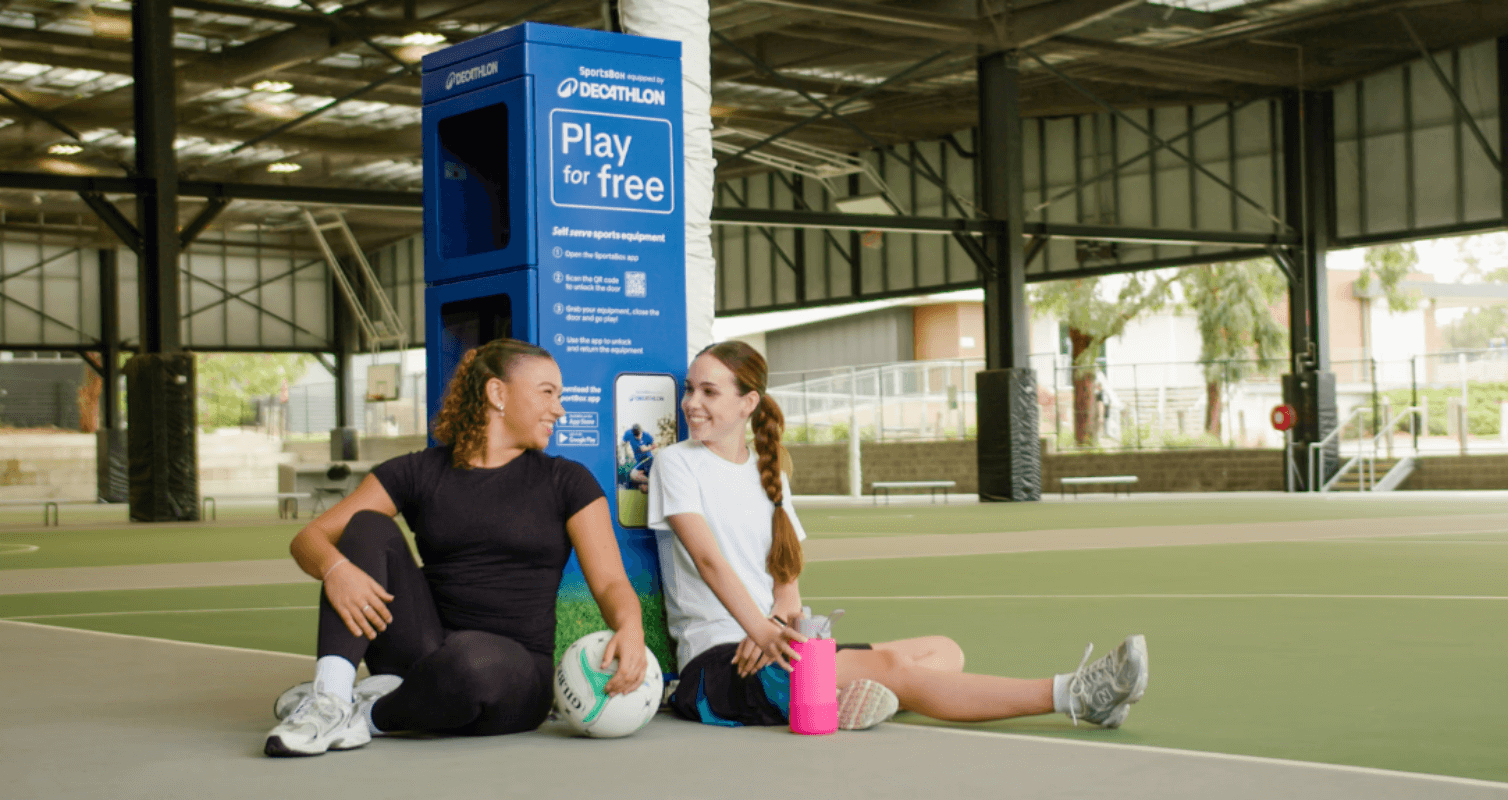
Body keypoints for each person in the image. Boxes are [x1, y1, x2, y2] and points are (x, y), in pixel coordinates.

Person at [648, 341, 1148, 731]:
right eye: (690, 389)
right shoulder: (675, 464)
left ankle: (847, 697)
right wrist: (761, 632)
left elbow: (787, 577)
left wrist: (778, 623)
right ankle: (1075, 694)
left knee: (943, 650)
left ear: (747, 402)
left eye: (708, 391)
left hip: (777, 645)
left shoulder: (768, 468)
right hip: (718, 667)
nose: (692, 402)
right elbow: (709, 562)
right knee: (894, 667)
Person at [264, 338, 647, 757]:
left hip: (510, 673)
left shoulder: (567, 481)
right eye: (547, 393)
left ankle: (371, 715)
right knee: (366, 525)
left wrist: (631, 626)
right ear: (498, 393)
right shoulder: (417, 471)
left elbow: (610, 581)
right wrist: (335, 570)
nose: (559, 408)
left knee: (470, 661)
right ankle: (330, 700)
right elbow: (309, 539)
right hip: (418, 649)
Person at [622, 423, 656, 492]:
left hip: (648, 459)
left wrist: (647, 448)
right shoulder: (628, 433)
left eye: (639, 435)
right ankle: (651, 485)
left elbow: (654, 445)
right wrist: (623, 457)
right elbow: (622, 444)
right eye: (635, 435)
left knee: (633, 474)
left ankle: (653, 484)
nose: (637, 437)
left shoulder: (647, 435)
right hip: (639, 461)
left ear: (641, 431)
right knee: (643, 489)